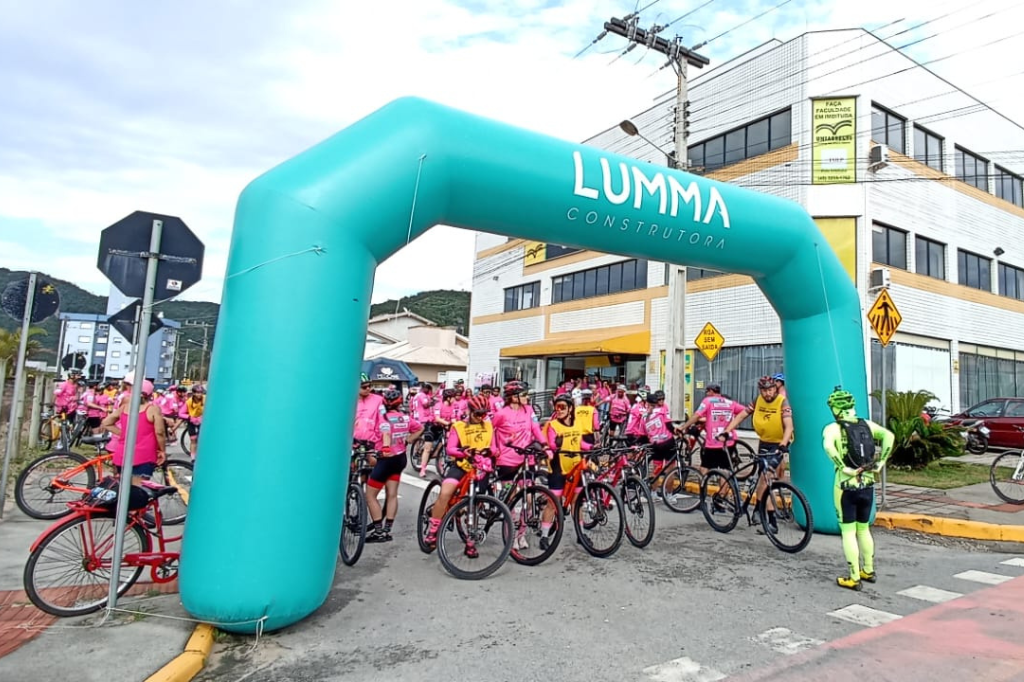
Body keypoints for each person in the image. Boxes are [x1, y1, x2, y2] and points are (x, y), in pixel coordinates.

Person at [822, 388, 894, 591]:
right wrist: (881, 463)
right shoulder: (867, 425)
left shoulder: (832, 428)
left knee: (848, 532)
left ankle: (853, 577)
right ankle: (868, 570)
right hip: (867, 485)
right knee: (863, 529)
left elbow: (828, 447)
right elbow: (889, 436)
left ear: (835, 409)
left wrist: (843, 467)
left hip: (845, 486)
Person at [719, 376, 795, 532]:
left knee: (768, 477)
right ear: (760, 390)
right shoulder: (758, 400)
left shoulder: (782, 402)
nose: (767, 394)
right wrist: (726, 431)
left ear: (775, 388)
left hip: (779, 444)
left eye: (770, 390)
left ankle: (767, 518)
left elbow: (789, 426)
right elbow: (741, 415)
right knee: (764, 478)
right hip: (764, 442)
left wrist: (782, 445)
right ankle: (760, 514)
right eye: (764, 390)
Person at [422, 394, 495, 556]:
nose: (481, 417)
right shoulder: (459, 426)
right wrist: (464, 451)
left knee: (475, 504)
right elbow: (450, 449)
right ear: (470, 411)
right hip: (461, 465)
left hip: (480, 468)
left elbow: (495, 448)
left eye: (484, 414)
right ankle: (433, 531)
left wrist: (489, 451)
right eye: (478, 414)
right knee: (445, 493)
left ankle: (470, 541)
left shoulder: (489, 426)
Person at [367, 388, 423, 542]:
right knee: (392, 495)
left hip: (386, 458)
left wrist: (384, 448)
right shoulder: (405, 418)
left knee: (370, 496)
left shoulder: (383, 417)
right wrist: (408, 440)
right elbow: (421, 428)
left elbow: (385, 432)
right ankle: (387, 529)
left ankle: (378, 532)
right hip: (400, 458)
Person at [543, 393, 591, 549]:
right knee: (553, 503)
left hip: (575, 468)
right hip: (558, 468)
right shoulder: (553, 425)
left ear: (570, 408)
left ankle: (580, 533)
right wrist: (556, 444)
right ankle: (544, 535)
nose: (559, 410)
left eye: (563, 407)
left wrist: (592, 448)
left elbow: (581, 443)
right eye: (557, 407)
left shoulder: (577, 425)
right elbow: (551, 445)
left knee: (578, 503)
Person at [100, 373, 166, 482]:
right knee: (137, 490)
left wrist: (123, 433)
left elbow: (106, 422)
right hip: (145, 455)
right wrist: (162, 450)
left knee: (124, 488)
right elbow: (160, 432)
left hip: (123, 454)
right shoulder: (152, 409)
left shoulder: (125, 407)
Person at [677, 382, 746, 474]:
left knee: (704, 469)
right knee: (725, 470)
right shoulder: (729, 402)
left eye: (707, 392)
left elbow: (697, 415)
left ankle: (702, 486)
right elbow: (745, 411)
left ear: (711, 391)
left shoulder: (708, 401)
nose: (706, 394)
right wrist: (733, 420)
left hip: (714, 442)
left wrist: (683, 426)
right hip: (728, 440)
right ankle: (723, 488)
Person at [411, 383, 441, 477]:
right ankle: (421, 453)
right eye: (429, 389)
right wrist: (433, 401)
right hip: (423, 418)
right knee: (427, 440)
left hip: (417, 418)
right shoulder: (422, 395)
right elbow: (425, 404)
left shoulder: (416, 396)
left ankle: (418, 449)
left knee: (421, 437)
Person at [353, 372, 386, 444]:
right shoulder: (348, 401)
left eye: (369, 386)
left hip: (372, 442)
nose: (368, 389)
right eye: (364, 387)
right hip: (352, 442)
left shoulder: (379, 400)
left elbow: (383, 420)